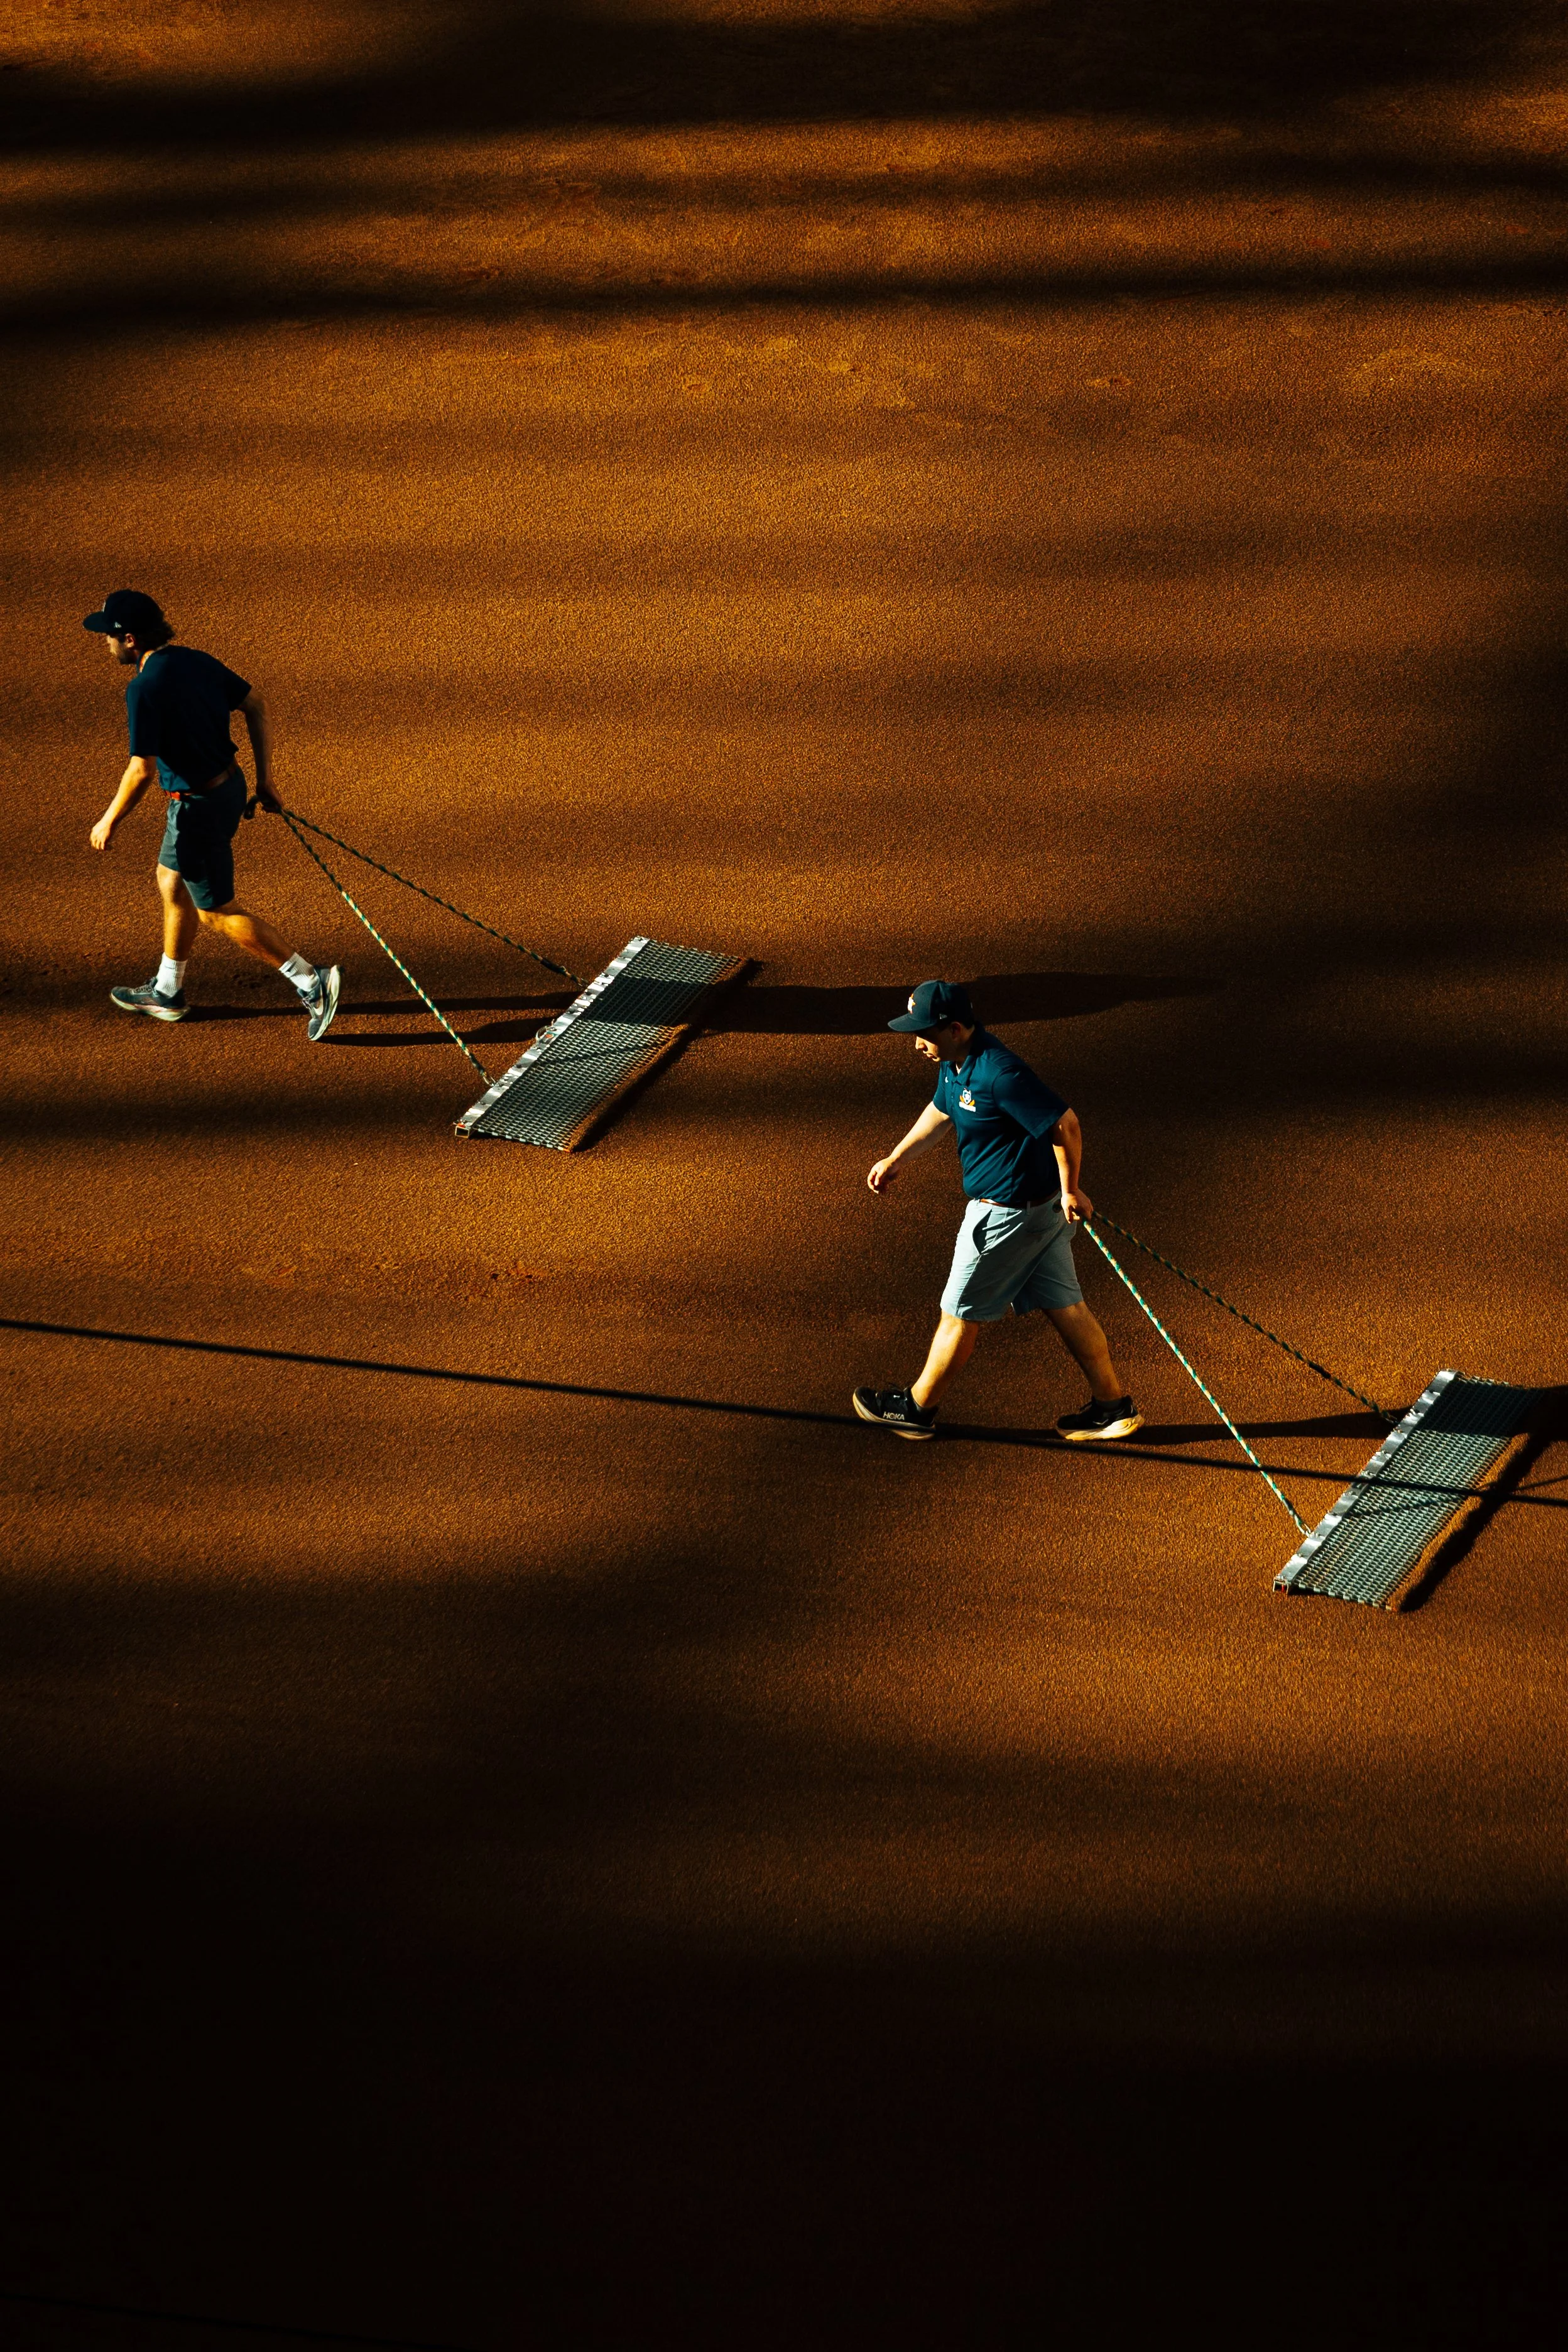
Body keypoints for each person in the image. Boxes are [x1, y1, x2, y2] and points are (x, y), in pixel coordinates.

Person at [854, 979, 1141, 1443]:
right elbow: (941, 1111)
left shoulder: (999, 1073)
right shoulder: (954, 1064)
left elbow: (1065, 1124)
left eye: (924, 1033)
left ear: (955, 1029)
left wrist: (1071, 1190)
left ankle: (916, 1409)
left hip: (1006, 1218)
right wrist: (897, 1158)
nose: (916, 1043)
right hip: (1038, 1215)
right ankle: (1112, 1407)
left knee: (958, 1313)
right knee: (1066, 1306)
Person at [84, 589, 340, 1040]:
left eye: (108, 635)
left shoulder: (143, 689)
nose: (104, 642)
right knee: (170, 879)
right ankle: (167, 991)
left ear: (130, 639)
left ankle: (310, 981)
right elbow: (256, 704)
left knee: (216, 912)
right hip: (228, 786)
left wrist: (109, 820)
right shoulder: (194, 660)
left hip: (197, 810)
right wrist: (264, 780)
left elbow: (141, 769)